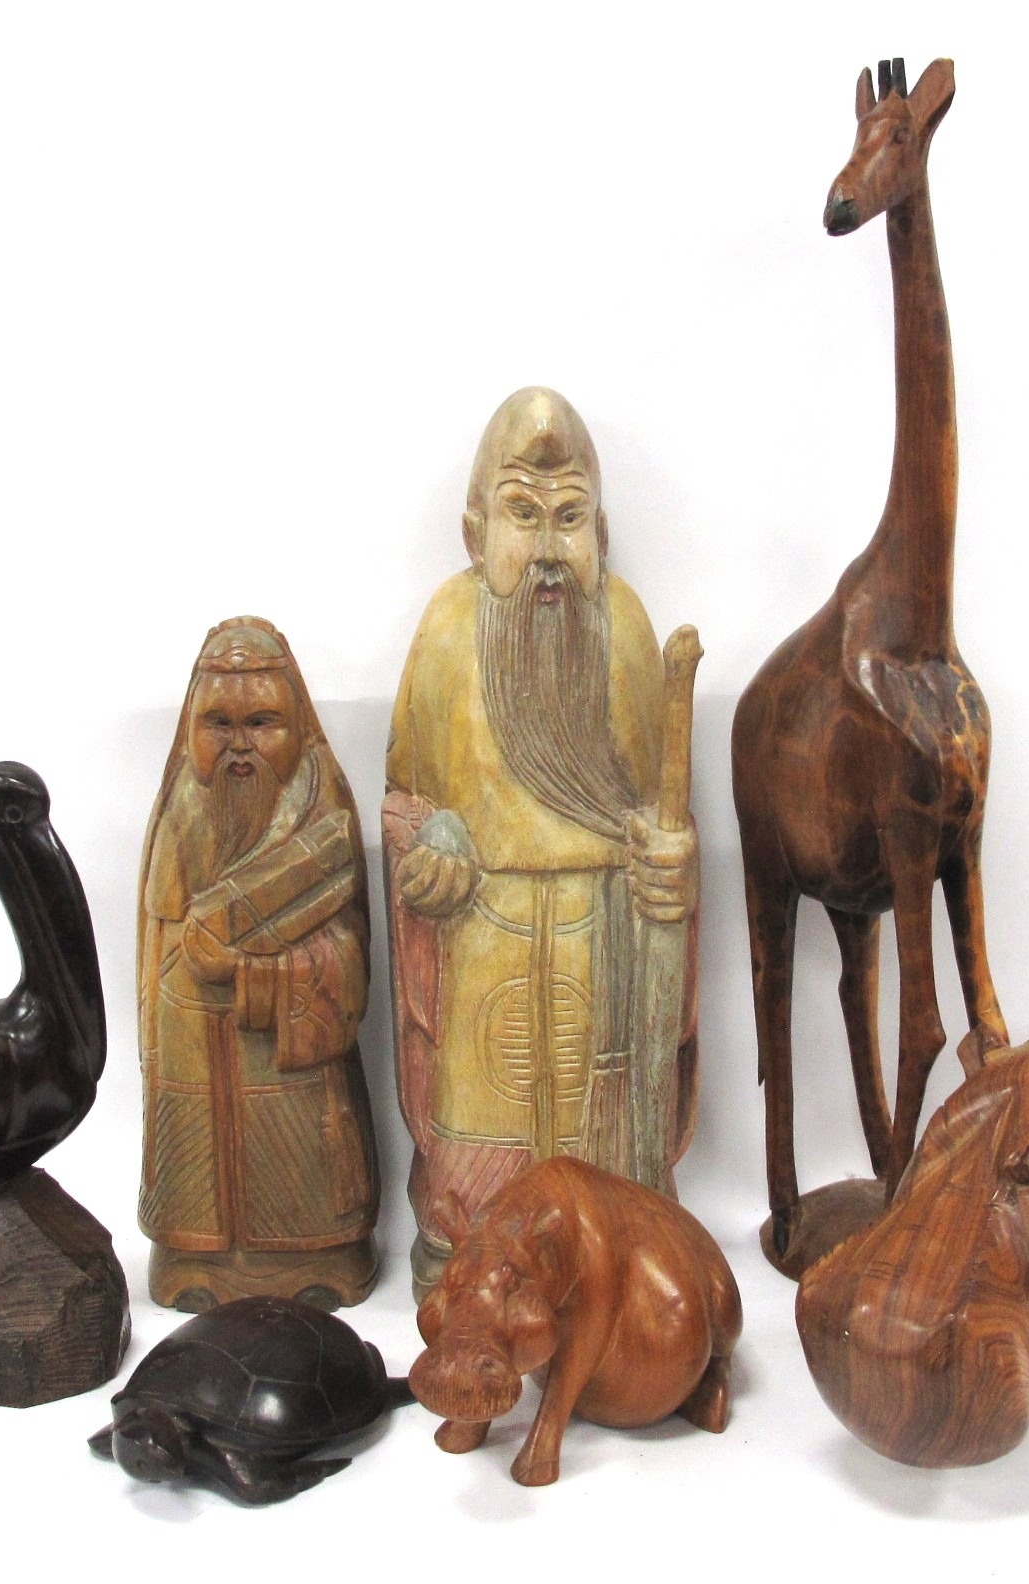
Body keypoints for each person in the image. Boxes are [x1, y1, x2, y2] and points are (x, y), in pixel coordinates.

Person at [385, 388, 698, 1295]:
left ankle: (614, 1254)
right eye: (524, 515)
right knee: (480, 1166)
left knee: (604, 1157)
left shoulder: (625, 627)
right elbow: (404, 800)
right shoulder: (446, 632)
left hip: (604, 947)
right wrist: (432, 839)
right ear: (475, 532)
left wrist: (672, 869)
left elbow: (664, 815)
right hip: (483, 940)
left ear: (601, 529)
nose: (551, 549)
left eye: (570, 518)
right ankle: (474, 1260)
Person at [138, 616, 378, 1310]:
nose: (239, 746)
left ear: (296, 726)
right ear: (192, 727)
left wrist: (257, 973)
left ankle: (316, 1252)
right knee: (195, 1161)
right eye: (219, 724)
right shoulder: (180, 811)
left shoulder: (322, 809)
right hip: (191, 1043)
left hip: (286, 1053)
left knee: (299, 1154)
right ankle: (194, 1252)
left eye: (261, 722)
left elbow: (350, 953)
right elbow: (154, 947)